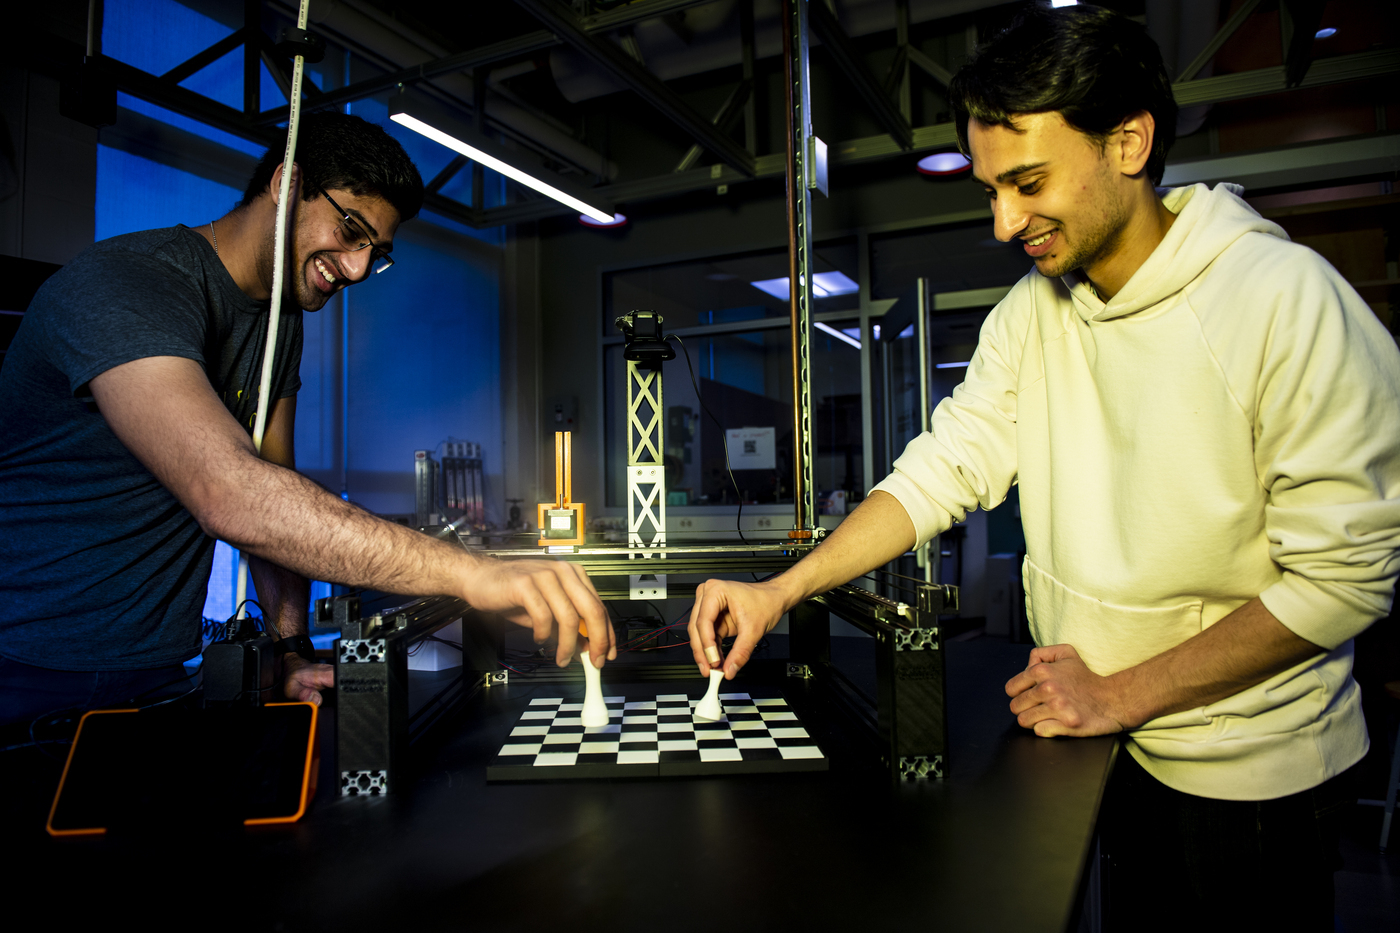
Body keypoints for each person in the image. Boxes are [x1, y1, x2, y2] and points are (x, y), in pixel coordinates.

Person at [686, 6, 1400, 929]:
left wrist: (1119, 691)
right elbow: (943, 467)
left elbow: (1345, 579)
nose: (1003, 222)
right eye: (990, 190)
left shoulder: (1284, 303)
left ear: (1129, 142)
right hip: (1101, 747)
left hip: (1248, 782)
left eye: (1026, 182)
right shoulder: (1034, 313)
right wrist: (783, 590)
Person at [0, 113, 612, 728]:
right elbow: (231, 495)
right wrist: (474, 575)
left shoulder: (279, 322)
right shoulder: (129, 286)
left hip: (159, 671)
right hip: (28, 673)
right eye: (351, 230)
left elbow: (274, 491)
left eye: (376, 254)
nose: (355, 270)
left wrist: (289, 650)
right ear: (287, 183)